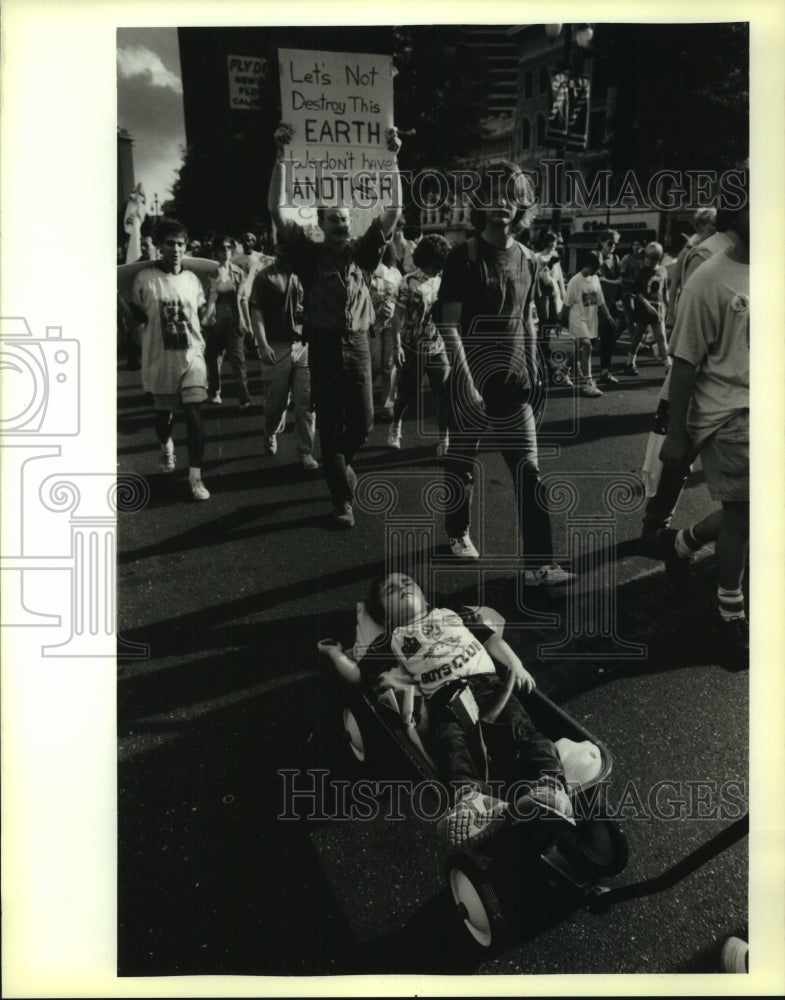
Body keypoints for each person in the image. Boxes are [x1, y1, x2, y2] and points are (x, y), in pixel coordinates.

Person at [318, 572, 573, 847]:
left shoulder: (453, 614)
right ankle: (472, 801)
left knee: (521, 731)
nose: (402, 587)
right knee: (451, 744)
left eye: (407, 583)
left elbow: (491, 640)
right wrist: (336, 654)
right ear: (386, 617)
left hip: (488, 686)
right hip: (442, 698)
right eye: (390, 590)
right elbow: (359, 676)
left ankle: (549, 786)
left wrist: (516, 666)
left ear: (425, 598)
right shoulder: (391, 640)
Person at [437, 160, 575, 587]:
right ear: (481, 202)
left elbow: (529, 317)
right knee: (462, 464)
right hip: (472, 381)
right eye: (493, 192)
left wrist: (534, 365)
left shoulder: (530, 260)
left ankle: (539, 566)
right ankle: (457, 531)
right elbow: (449, 324)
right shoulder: (464, 255)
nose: (502, 202)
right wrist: (464, 380)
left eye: (511, 193)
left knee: (529, 472)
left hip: (514, 383)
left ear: (521, 205)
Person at [268, 120, 403, 529]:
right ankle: (342, 500)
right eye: (334, 220)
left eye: (346, 219)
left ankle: (338, 464)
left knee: (362, 423)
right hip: (324, 346)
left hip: (359, 344)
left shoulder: (364, 253)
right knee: (329, 425)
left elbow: (394, 210)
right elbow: (276, 209)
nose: (342, 224)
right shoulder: (308, 257)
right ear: (322, 225)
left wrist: (394, 157)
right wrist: (280, 157)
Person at [658, 202, 750, 668]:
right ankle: (729, 616)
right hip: (731, 415)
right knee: (743, 515)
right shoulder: (708, 280)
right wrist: (676, 433)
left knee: (751, 514)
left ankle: (684, 542)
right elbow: (686, 361)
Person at [130, 218, 210, 501]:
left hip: (192, 356)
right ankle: (166, 446)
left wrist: (217, 298)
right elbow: (137, 317)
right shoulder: (145, 279)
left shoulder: (192, 280)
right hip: (161, 359)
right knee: (164, 418)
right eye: (169, 243)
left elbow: (202, 317)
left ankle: (196, 478)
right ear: (160, 246)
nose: (175, 249)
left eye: (180, 243)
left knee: (193, 412)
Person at [249, 245, 319, 470]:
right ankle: (270, 431)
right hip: (277, 345)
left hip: (304, 344)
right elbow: (256, 310)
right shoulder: (265, 276)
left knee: (306, 403)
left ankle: (305, 451)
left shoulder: (308, 273)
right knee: (275, 404)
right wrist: (262, 343)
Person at [387, 233, 452, 454]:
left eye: (439, 264)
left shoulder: (444, 281)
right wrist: (396, 347)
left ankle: (444, 439)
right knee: (405, 395)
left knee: (443, 393)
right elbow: (396, 316)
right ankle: (395, 426)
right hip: (412, 346)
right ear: (425, 259)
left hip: (437, 346)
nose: (437, 268)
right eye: (434, 264)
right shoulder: (407, 282)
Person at [203, 234, 253, 409]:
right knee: (212, 359)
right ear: (216, 252)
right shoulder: (210, 273)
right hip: (216, 322)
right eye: (222, 248)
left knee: (238, 361)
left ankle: (244, 398)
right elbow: (205, 299)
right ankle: (215, 392)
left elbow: (243, 299)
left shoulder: (239, 273)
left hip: (234, 321)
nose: (226, 251)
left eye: (228, 248)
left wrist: (249, 324)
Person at [562, 256, 618, 398]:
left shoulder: (595, 279)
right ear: (588, 265)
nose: (598, 270)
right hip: (577, 318)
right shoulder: (575, 281)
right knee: (586, 346)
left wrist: (609, 316)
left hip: (590, 319)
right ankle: (588, 384)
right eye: (596, 267)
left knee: (582, 348)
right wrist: (560, 321)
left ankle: (562, 370)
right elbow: (567, 304)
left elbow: (600, 301)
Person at [625, 241, 670, 376]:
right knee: (638, 336)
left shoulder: (663, 271)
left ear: (659, 258)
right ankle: (630, 362)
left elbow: (665, 290)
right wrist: (648, 306)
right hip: (645, 308)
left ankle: (668, 365)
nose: (649, 261)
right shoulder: (643, 272)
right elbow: (637, 292)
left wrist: (667, 306)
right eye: (648, 257)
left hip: (658, 308)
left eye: (653, 258)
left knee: (661, 337)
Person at [369, 245, 403, 420]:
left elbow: (401, 297)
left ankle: (387, 406)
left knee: (389, 364)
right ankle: (364, 403)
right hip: (371, 324)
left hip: (390, 323)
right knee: (373, 365)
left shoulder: (396, 273)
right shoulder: (366, 269)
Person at [534, 230, 571, 387]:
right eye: (550, 241)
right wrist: (548, 265)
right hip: (542, 291)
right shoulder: (538, 257)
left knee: (552, 322)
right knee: (544, 322)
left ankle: (543, 349)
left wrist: (563, 296)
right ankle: (542, 350)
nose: (552, 244)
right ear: (545, 242)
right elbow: (538, 276)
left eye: (554, 241)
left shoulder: (556, 257)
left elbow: (560, 278)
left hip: (554, 292)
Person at [591, 230, 623, 385]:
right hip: (595, 305)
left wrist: (614, 282)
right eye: (610, 243)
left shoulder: (616, 259)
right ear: (602, 242)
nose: (613, 246)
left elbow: (618, 281)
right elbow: (598, 280)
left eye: (616, 243)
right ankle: (565, 367)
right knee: (589, 340)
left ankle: (605, 372)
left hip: (609, 304)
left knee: (607, 340)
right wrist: (615, 281)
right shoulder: (595, 257)